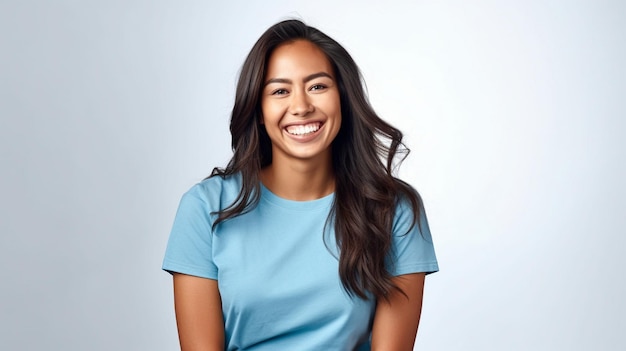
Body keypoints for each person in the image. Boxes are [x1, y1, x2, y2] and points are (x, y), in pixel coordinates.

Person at [162, 19, 438, 351]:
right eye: (280, 91)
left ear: (343, 99)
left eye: (318, 86)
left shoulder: (394, 209)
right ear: (259, 110)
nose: (301, 107)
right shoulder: (205, 208)